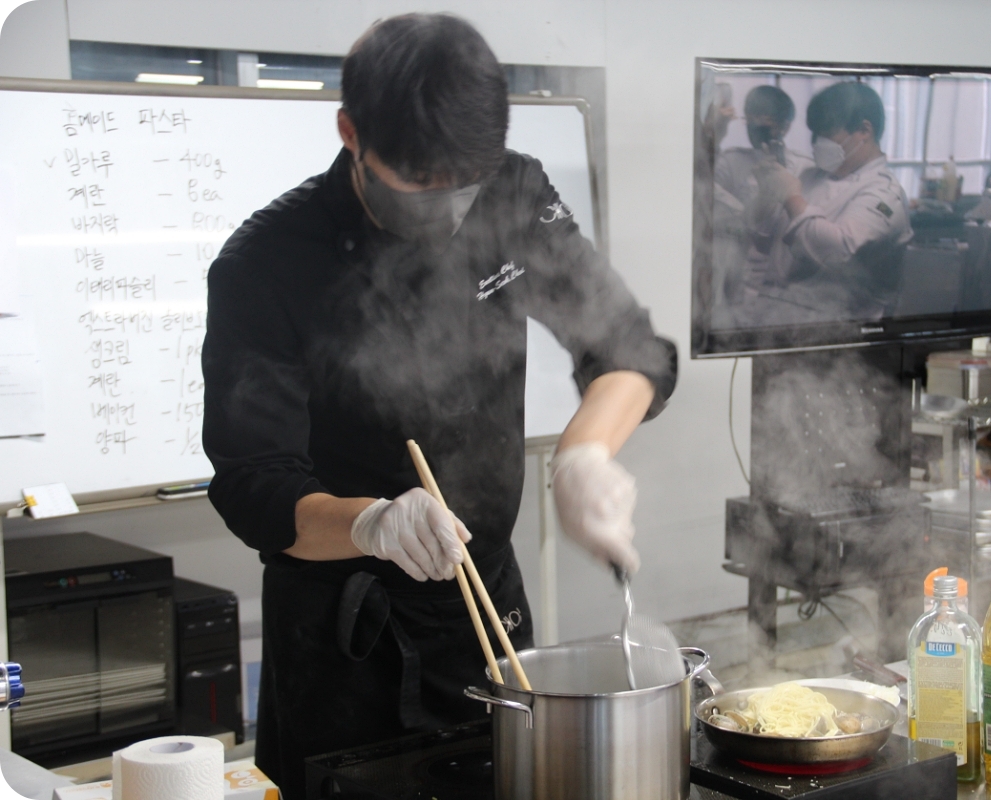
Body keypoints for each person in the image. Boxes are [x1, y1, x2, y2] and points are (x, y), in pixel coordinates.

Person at [201, 14, 676, 797]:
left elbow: (631, 350)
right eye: (419, 186)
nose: (450, 211)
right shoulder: (267, 262)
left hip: (484, 608)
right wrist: (370, 523)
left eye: (466, 186)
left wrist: (583, 454)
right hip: (340, 637)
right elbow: (253, 480)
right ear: (351, 134)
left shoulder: (514, 189)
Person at [755, 81, 913, 316]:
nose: (818, 143)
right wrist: (766, 197)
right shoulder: (810, 176)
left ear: (864, 131)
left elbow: (840, 252)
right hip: (779, 309)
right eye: (816, 134)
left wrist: (791, 198)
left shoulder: (885, 196)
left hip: (839, 322)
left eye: (827, 134)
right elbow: (765, 244)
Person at [710, 85, 813, 313]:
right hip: (736, 278)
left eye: (766, 124)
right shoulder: (730, 162)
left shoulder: (805, 168)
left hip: (784, 285)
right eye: (750, 121)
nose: (756, 130)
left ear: (785, 126)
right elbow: (719, 218)